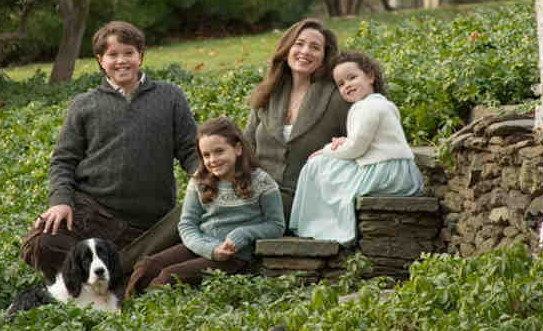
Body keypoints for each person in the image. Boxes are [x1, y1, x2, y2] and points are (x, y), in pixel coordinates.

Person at [20, 20, 199, 283]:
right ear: (100, 60)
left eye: (129, 53)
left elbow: (190, 149)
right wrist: (61, 201)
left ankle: (112, 274)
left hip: (148, 224)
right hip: (92, 213)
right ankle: (87, 283)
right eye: (113, 55)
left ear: (141, 56)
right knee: (43, 243)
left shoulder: (170, 96)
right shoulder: (84, 105)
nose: (121, 61)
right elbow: (63, 162)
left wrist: (204, 176)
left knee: (160, 263)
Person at [124, 116, 284, 296]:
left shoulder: (262, 181)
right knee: (147, 265)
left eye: (219, 151)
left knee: (169, 276)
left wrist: (243, 234)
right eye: (206, 155)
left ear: (238, 149)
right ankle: (127, 307)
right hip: (202, 246)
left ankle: (148, 308)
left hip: (234, 256)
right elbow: (187, 225)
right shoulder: (199, 182)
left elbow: (276, 226)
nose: (213, 160)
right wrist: (210, 249)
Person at [289, 51, 423, 245]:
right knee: (324, 164)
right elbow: (372, 142)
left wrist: (327, 150)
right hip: (402, 172)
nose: (347, 85)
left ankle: (314, 224)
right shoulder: (383, 104)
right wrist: (344, 142)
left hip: (385, 174)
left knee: (317, 164)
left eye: (352, 77)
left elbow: (355, 150)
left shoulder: (366, 107)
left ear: (370, 76)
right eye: (341, 84)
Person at [244, 18, 350, 223]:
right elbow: (246, 147)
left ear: (324, 57)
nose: (305, 51)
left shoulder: (337, 98)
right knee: (201, 204)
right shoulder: (268, 94)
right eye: (299, 44)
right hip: (256, 193)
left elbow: (359, 141)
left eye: (315, 47)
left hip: (303, 199)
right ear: (287, 50)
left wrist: (345, 144)